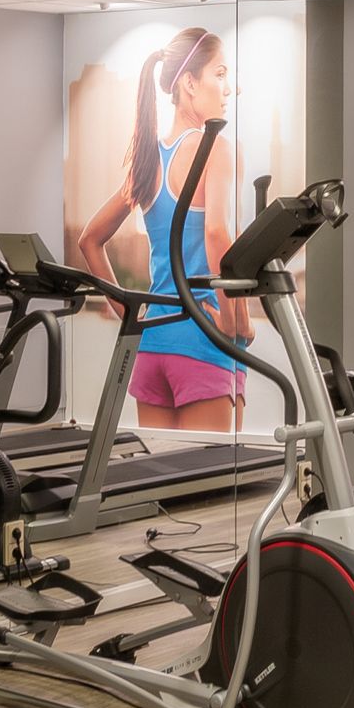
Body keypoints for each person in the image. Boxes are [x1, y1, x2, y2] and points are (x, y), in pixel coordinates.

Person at [79, 27, 251, 432]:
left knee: (162, 485)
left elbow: (90, 240)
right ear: (190, 83)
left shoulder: (147, 158)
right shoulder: (216, 148)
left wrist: (126, 312)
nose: (231, 89)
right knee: (214, 488)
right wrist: (232, 320)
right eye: (220, 74)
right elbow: (215, 234)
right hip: (201, 342)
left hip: (151, 346)